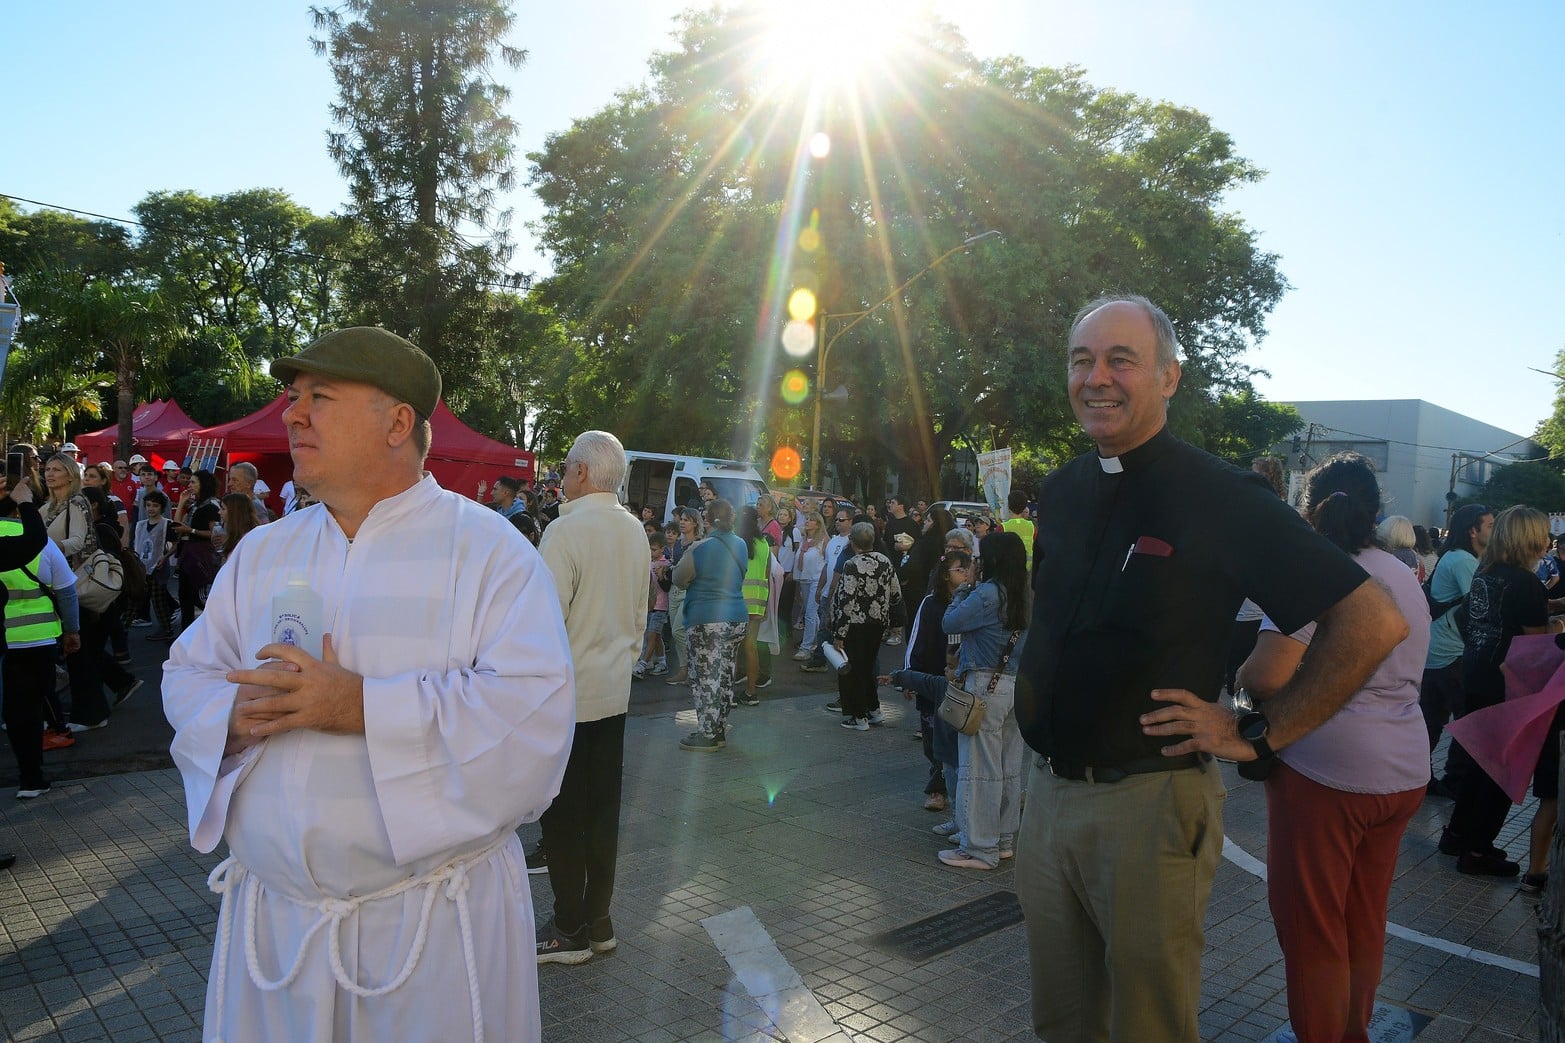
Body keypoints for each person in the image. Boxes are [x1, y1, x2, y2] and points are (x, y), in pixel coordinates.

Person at [162, 326, 575, 1041]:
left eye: (319, 397)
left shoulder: (490, 554)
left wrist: (360, 706)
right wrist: (233, 708)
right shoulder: (264, 551)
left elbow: (531, 718)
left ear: (397, 422)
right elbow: (187, 670)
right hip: (278, 936)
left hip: (428, 936)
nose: (292, 414)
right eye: (294, 396)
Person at [1012, 295, 1404, 1043]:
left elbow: (1371, 618)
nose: (1097, 377)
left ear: (1168, 376)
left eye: (1120, 360)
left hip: (1149, 807)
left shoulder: (1220, 495)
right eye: (1081, 360)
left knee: (1148, 1028)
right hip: (1045, 801)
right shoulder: (1060, 490)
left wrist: (1258, 732)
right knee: (1060, 1025)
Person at [1235, 452, 1430, 1043]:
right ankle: (1354, 1031)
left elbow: (1266, 676)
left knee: (1311, 924)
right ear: (1374, 511)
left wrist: (1240, 686)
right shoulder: (1402, 572)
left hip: (1326, 771)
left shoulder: (1312, 569)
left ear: (1308, 508)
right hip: (1403, 768)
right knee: (1362, 916)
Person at [534, 430, 649, 965]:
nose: (560, 479)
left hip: (568, 699)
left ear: (582, 473)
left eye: (564, 468)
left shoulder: (565, 531)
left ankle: (568, 927)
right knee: (603, 813)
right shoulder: (635, 530)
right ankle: (599, 920)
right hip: (615, 693)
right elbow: (639, 617)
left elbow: (541, 626)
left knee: (561, 818)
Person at [1442, 505, 1561, 880]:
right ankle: (1478, 851)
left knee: (1478, 762)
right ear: (1529, 538)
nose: (1548, 540)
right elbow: (1536, 646)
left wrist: (1551, 607)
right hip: (1507, 685)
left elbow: (1490, 616)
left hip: (1477, 671)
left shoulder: (1488, 573)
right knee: (1501, 769)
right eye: (1543, 533)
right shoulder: (1526, 583)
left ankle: (1457, 835)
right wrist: (1556, 622)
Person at [937, 531, 1030, 869]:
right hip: (1015, 686)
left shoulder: (988, 594)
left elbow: (950, 623)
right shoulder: (1025, 595)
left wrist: (964, 587)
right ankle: (1002, 840)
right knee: (1008, 769)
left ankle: (978, 847)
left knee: (979, 770)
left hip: (984, 686)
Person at [1421, 503, 1494, 799]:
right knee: (1468, 721)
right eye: (1490, 525)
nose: (1494, 529)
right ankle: (1454, 781)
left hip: (1435, 649)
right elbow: (1479, 608)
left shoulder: (1451, 556)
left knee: (1430, 720)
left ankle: (1419, 777)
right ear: (1473, 531)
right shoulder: (1464, 560)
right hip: (1453, 651)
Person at [671, 498, 747, 751]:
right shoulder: (741, 545)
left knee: (705, 678)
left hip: (707, 619)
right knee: (724, 675)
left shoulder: (700, 548)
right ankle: (718, 729)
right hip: (736, 617)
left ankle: (708, 734)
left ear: (706, 520)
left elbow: (679, 578)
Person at [829, 522, 900, 730]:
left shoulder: (852, 564)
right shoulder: (885, 561)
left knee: (854, 670)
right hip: (878, 623)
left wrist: (839, 633)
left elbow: (846, 600)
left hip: (855, 625)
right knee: (868, 667)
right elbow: (895, 592)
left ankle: (858, 716)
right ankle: (874, 710)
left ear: (852, 541)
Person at [170, 470, 222, 633]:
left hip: (201, 557)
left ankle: (215, 631)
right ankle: (186, 635)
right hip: (188, 556)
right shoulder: (195, 505)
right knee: (185, 597)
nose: (189, 485)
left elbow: (215, 533)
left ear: (203, 484)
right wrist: (181, 502)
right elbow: (177, 526)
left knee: (199, 597)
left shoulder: (212, 505)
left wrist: (191, 531)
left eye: (193, 482)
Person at [1000, 489, 1036, 573]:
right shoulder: (1032, 526)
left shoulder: (1003, 527)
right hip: (1027, 569)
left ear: (1008, 505)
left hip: (1007, 569)